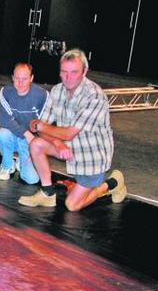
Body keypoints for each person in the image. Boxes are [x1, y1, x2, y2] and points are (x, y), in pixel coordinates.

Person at [18, 48, 126, 210]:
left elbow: (67, 132)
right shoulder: (56, 91)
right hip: (67, 148)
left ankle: (112, 183)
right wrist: (57, 143)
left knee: (72, 205)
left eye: (74, 72)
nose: (68, 78)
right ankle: (47, 194)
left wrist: (41, 126)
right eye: (64, 72)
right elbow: (42, 129)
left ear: (85, 72)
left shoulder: (94, 96)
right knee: (36, 144)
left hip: (91, 156)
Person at [0, 63, 48, 183]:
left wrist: (36, 147)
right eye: (17, 78)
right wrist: (26, 133)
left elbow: (46, 123)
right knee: (2, 135)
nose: (20, 82)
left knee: (32, 180)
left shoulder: (42, 95)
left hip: (30, 141)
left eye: (24, 79)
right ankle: (7, 165)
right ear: (12, 78)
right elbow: (4, 120)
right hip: (15, 134)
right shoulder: (5, 92)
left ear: (31, 78)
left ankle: (20, 159)